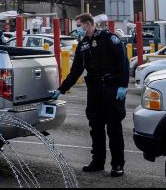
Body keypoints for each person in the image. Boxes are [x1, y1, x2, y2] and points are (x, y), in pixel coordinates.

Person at [49, 13, 129, 177]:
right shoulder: (83, 45)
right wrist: (61, 89)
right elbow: (75, 71)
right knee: (96, 127)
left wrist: (123, 86)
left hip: (112, 88)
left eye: (78, 25)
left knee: (114, 128)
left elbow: (123, 62)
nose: (76, 29)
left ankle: (117, 165)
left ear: (88, 24)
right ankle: (98, 162)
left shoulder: (109, 38)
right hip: (95, 90)